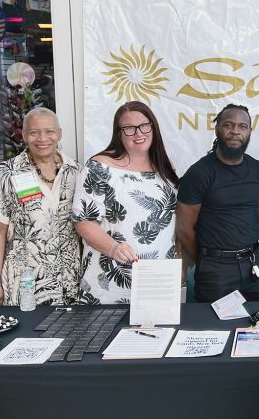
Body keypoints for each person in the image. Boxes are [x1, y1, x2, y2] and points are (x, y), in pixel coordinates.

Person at [72, 102, 179, 304]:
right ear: (118, 133)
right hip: (110, 279)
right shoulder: (99, 167)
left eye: (144, 126)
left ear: (153, 128)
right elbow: (83, 221)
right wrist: (113, 248)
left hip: (156, 281)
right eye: (129, 128)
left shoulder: (165, 167)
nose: (139, 133)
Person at [0, 108, 81, 307]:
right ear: (24, 135)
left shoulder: (76, 172)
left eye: (49, 131)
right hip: (24, 285)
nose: (42, 138)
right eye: (34, 132)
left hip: (71, 282)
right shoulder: (8, 173)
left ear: (59, 134)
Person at [176, 103, 259, 303]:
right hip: (215, 271)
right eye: (228, 125)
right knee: (217, 328)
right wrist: (207, 259)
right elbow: (184, 229)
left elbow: (257, 217)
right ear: (217, 128)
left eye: (242, 126)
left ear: (249, 132)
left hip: (255, 263)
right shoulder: (199, 173)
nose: (235, 131)